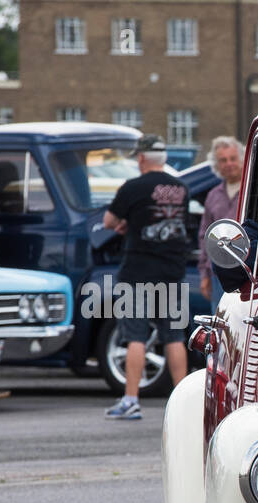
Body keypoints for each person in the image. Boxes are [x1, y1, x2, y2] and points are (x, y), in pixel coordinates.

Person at [101, 134, 190, 420]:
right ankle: (180, 404)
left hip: (138, 271)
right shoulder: (181, 188)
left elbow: (108, 222)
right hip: (172, 271)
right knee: (174, 336)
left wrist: (127, 223)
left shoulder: (132, 187)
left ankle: (131, 399)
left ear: (140, 158)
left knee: (135, 336)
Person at [197, 136, 245, 308]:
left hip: (246, 272)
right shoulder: (213, 195)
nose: (229, 164)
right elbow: (205, 236)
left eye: (233, 158)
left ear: (242, 159)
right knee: (219, 324)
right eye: (223, 160)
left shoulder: (255, 192)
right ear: (217, 165)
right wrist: (204, 274)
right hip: (217, 275)